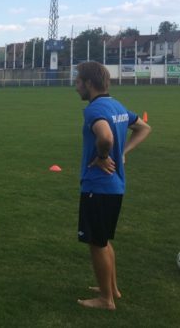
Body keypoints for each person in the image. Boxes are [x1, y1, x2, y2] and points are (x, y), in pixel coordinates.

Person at [74, 61, 151, 310]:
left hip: (98, 186)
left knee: (97, 244)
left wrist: (104, 156)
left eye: (78, 82)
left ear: (89, 83)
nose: (76, 87)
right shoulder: (117, 106)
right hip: (114, 186)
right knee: (104, 240)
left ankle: (105, 300)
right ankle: (112, 289)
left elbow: (105, 137)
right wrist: (123, 152)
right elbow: (144, 128)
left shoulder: (94, 109)